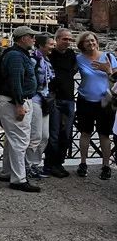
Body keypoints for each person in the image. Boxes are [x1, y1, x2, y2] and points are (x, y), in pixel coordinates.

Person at [0, 26, 40, 192]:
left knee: (12, 139)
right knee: (20, 140)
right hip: (14, 102)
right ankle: (19, 179)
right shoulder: (16, 56)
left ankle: (7, 172)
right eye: (31, 36)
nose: (34, 39)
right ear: (23, 38)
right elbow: (15, 82)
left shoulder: (17, 54)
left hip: (12, 101)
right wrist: (19, 104)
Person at [75, 31, 117, 180]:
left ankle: (106, 166)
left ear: (97, 42)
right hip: (85, 100)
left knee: (104, 134)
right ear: (82, 45)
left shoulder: (109, 57)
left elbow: (115, 79)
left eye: (93, 41)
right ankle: (83, 163)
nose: (91, 43)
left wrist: (108, 70)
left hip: (105, 102)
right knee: (85, 132)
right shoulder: (78, 59)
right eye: (87, 42)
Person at [44, 28, 76, 177]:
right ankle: (49, 165)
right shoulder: (50, 55)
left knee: (66, 134)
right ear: (57, 40)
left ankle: (59, 163)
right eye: (65, 39)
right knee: (54, 134)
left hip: (69, 98)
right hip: (55, 98)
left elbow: (73, 71)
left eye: (70, 39)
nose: (68, 42)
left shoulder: (71, 55)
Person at [26, 34, 55, 179]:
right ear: (41, 45)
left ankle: (35, 164)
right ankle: (28, 166)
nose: (53, 46)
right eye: (50, 44)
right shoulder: (33, 59)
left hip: (45, 100)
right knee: (35, 135)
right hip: (35, 99)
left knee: (45, 136)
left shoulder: (47, 60)